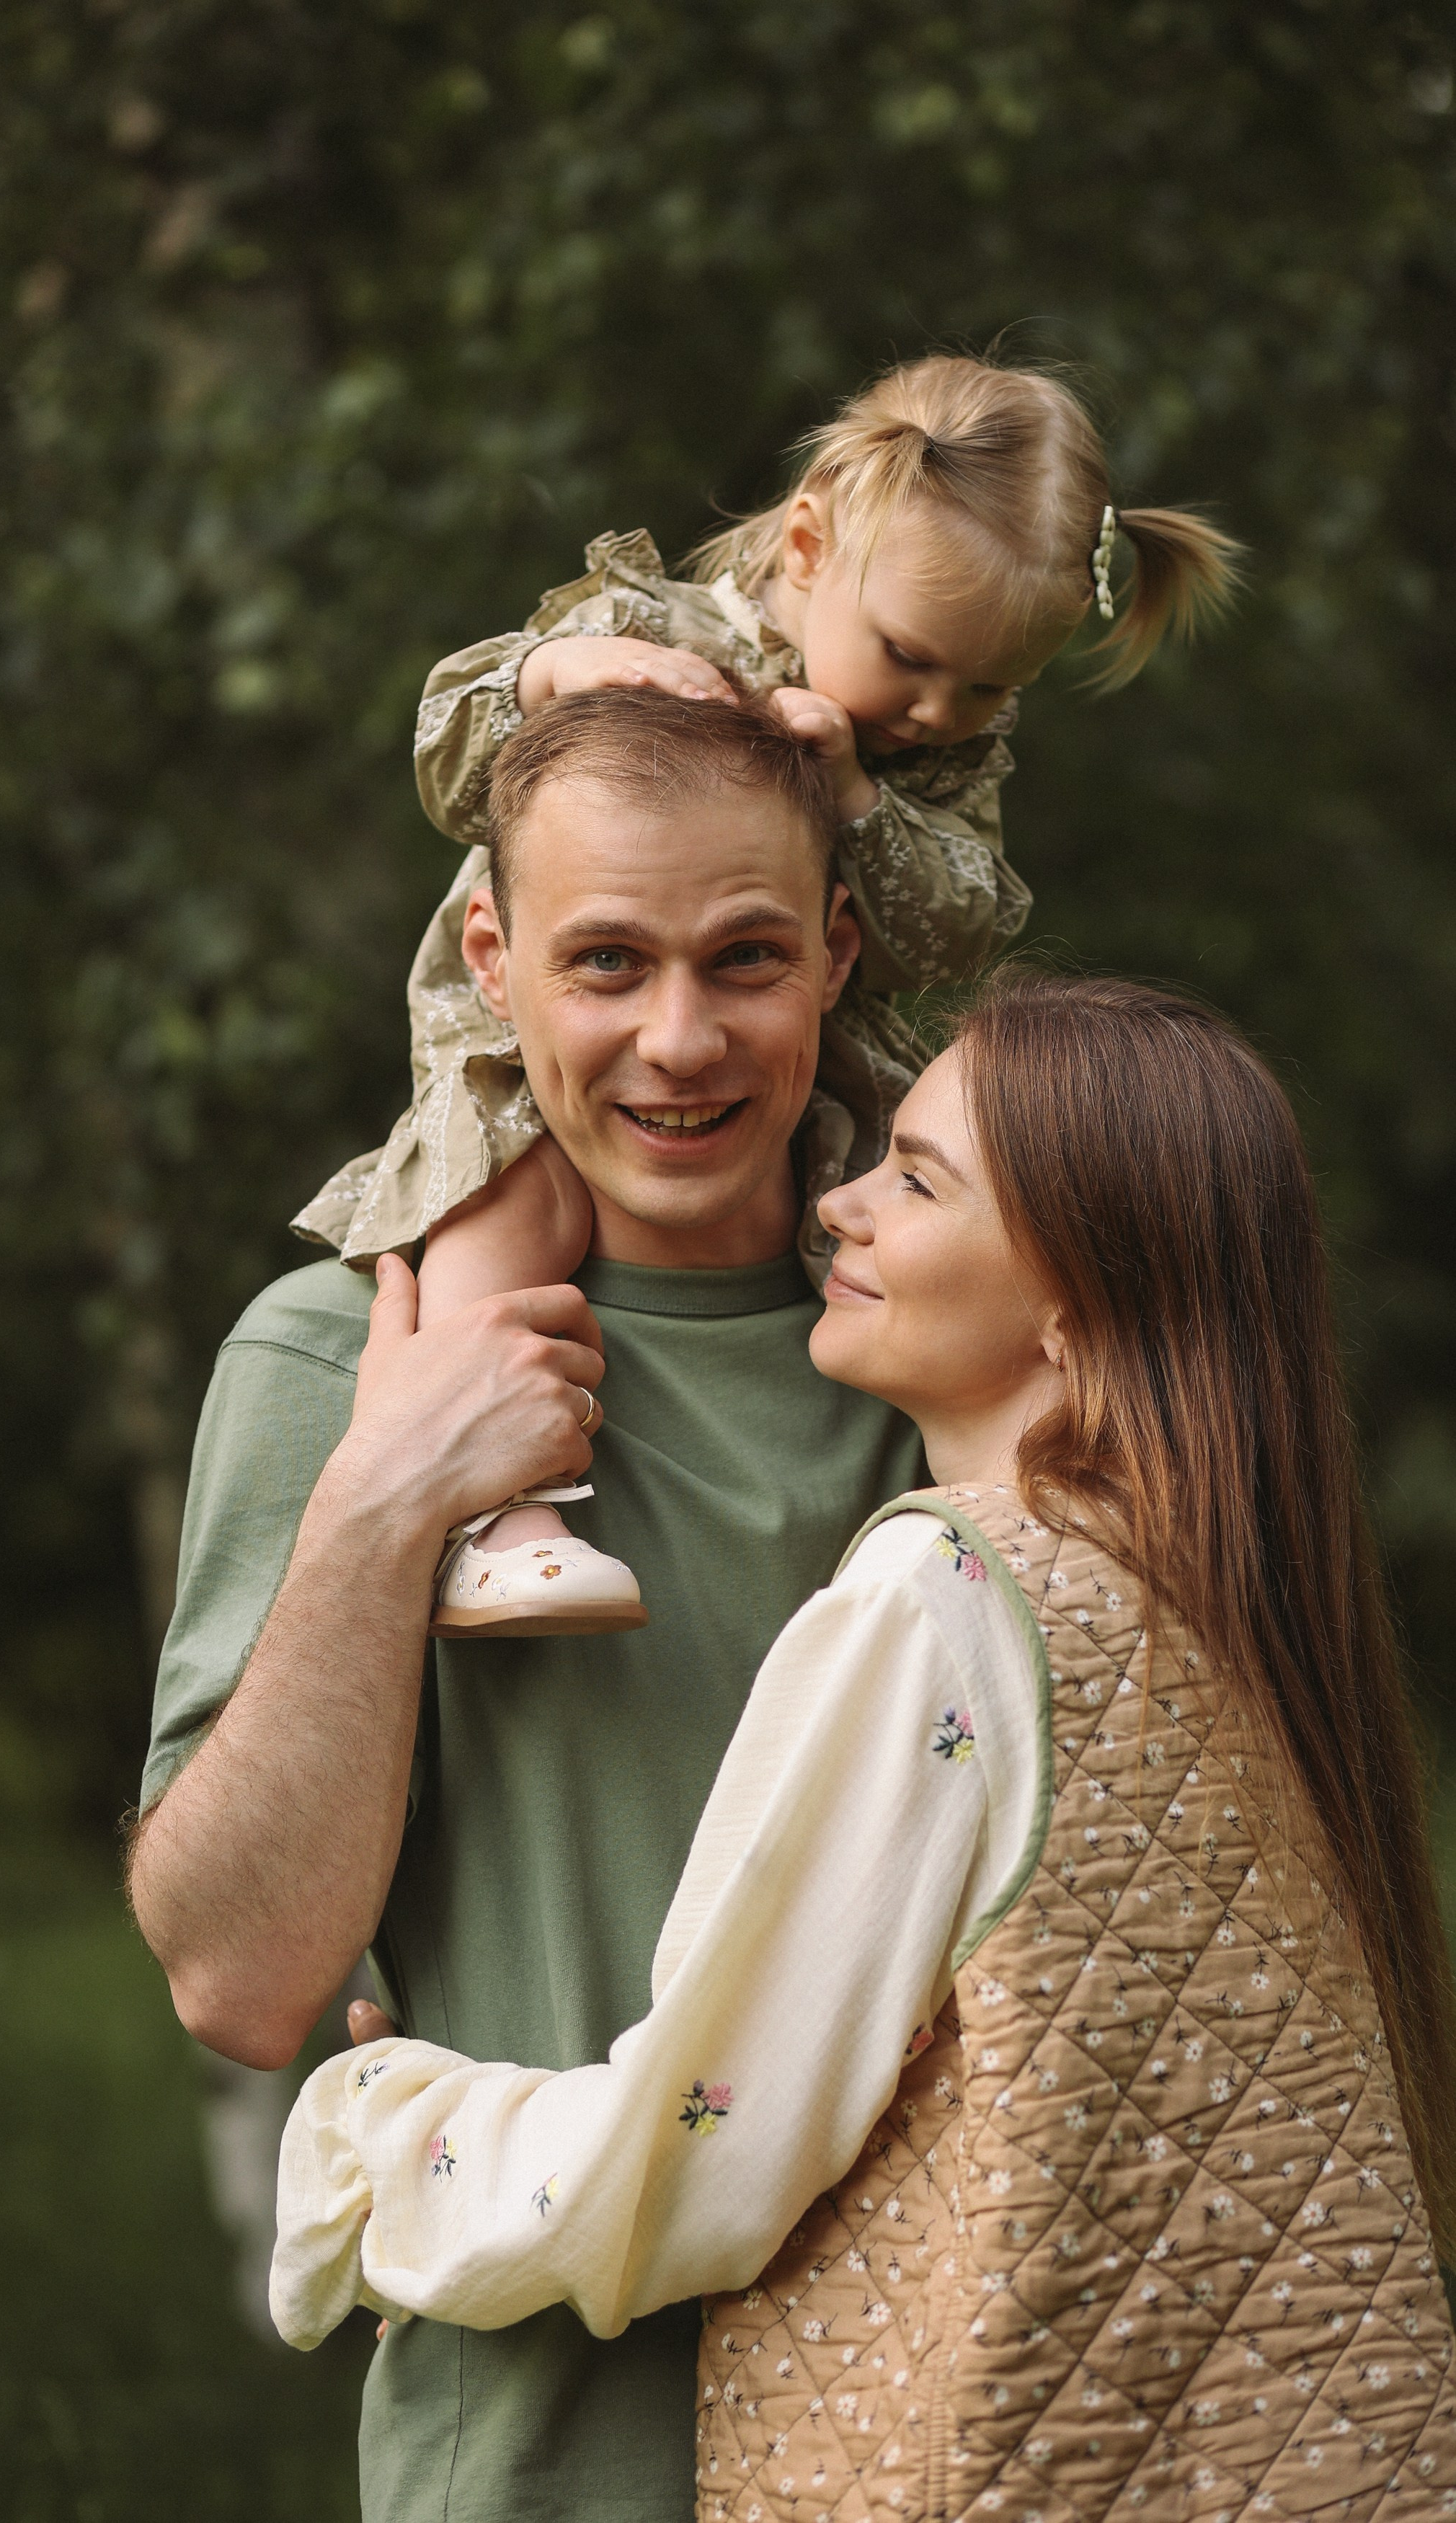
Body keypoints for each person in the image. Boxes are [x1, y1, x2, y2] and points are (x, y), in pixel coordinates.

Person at [271, 970, 1456, 2519]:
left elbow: (699, 2150)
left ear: (1074, 1299)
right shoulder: (1225, 1608)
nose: (841, 1203)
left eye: (916, 1178)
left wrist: (378, 2143)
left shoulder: (944, 1598)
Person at [128, 686, 923, 2523]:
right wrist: (396, 1487)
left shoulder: (943, 1347)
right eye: (605, 961)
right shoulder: (335, 1352)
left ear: (840, 953)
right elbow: (243, 1982)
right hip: (551, 2464)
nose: (679, 1038)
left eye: (745, 958)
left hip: (958, 2419)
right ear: (489, 959)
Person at [293, 352, 1243, 1635]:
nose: (933, 708)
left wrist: (857, 796)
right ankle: (494, 1512)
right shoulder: (643, 632)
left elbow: (961, 924)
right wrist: (548, 686)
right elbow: (448, 752)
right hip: (524, 1047)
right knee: (503, 1197)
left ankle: (1020, 1516)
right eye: (911, 658)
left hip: (810, 1063)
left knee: (926, 1221)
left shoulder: (929, 761)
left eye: (986, 687)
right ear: (806, 545)